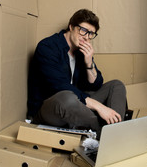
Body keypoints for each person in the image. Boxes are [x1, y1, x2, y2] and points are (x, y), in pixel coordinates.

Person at [27, 9, 127, 137]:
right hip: (49, 109)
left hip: (77, 104)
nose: (86, 37)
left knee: (116, 85)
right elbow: (60, 87)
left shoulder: (82, 51)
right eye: (83, 30)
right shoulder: (47, 47)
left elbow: (95, 85)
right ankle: (110, 134)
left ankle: (116, 127)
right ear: (71, 27)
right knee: (67, 97)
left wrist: (89, 63)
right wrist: (100, 108)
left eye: (91, 34)